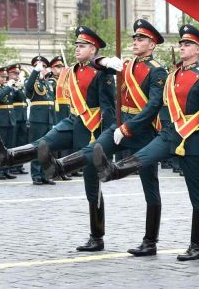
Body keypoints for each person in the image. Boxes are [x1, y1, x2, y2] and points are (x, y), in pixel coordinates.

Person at [39, 19, 168, 256]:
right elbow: (97, 63)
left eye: (140, 39)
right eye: (134, 38)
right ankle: (60, 167)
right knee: (96, 148)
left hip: (144, 131)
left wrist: (129, 127)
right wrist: (105, 60)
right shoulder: (126, 65)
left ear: (152, 44)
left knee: (150, 186)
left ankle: (150, 241)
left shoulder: (157, 70)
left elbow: (153, 106)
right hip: (121, 125)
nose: (135, 42)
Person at [93, 24, 199, 261]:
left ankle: (196, 246)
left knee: (197, 196)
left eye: (188, 44)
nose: (182, 47)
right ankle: (112, 170)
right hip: (170, 134)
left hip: (191, 139)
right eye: (181, 44)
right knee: (144, 156)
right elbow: (162, 106)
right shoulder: (172, 76)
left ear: (198, 49)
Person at [0, 26, 115, 251]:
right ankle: (8, 157)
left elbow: (108, 108)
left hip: (91, 128)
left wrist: (104, 138)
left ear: (94, 49)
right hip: (73, 120)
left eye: (82, 46)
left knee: (92, 186)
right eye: (76, 45)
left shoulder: (101, 72)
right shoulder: (72, 71)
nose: (77, 49)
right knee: (45, 143)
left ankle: (97, 236)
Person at [25, 56, 56, 185]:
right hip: (38, 120)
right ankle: (36, 175)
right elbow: (28, 90)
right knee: (37, 148)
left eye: (44, 67)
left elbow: (52, 102)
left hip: (49, 119)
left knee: (48, 148)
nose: (43, 69)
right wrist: (34, 72)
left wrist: (53, 121)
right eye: (40, 67)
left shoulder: (48, 83)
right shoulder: (32, 81)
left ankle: (46, 174)